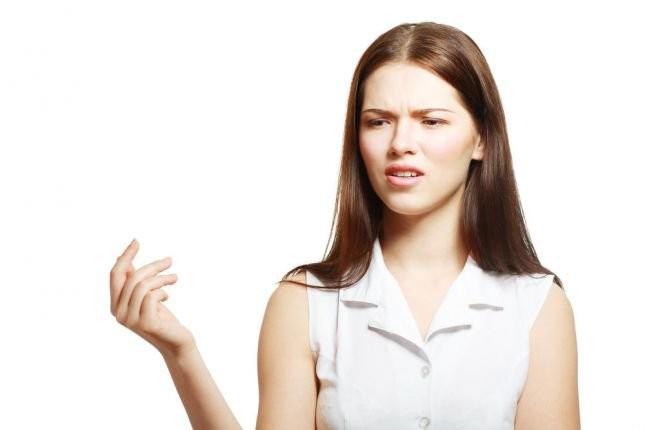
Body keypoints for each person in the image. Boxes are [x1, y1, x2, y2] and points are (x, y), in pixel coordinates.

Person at [109, 21, 580, 429]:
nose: (401, 143)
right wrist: (181, 354)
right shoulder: (304, 302)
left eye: (431, 121)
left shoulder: (537, 305)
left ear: (482, 139)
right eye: (378, 122)